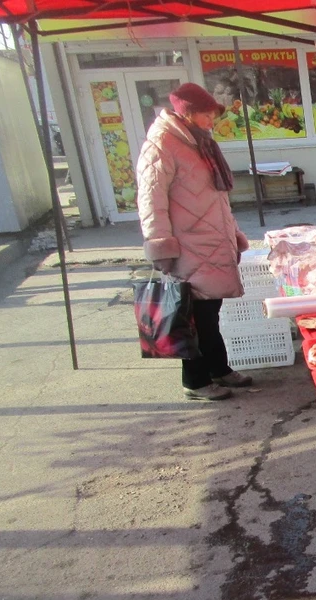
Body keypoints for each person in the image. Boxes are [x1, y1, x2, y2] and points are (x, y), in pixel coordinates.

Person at [137, 82, 253, 401]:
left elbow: (218, 198)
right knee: (192, 317)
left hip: (210, 240)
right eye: (206, 115)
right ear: (188, 114)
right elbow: (151, 199)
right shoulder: (162, 143)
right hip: (187, 244)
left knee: (210, 313)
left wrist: (233, 234)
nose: (211, 121)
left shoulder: (200, 142)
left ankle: (219, 369)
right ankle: (196, 382)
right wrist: (160, 243)